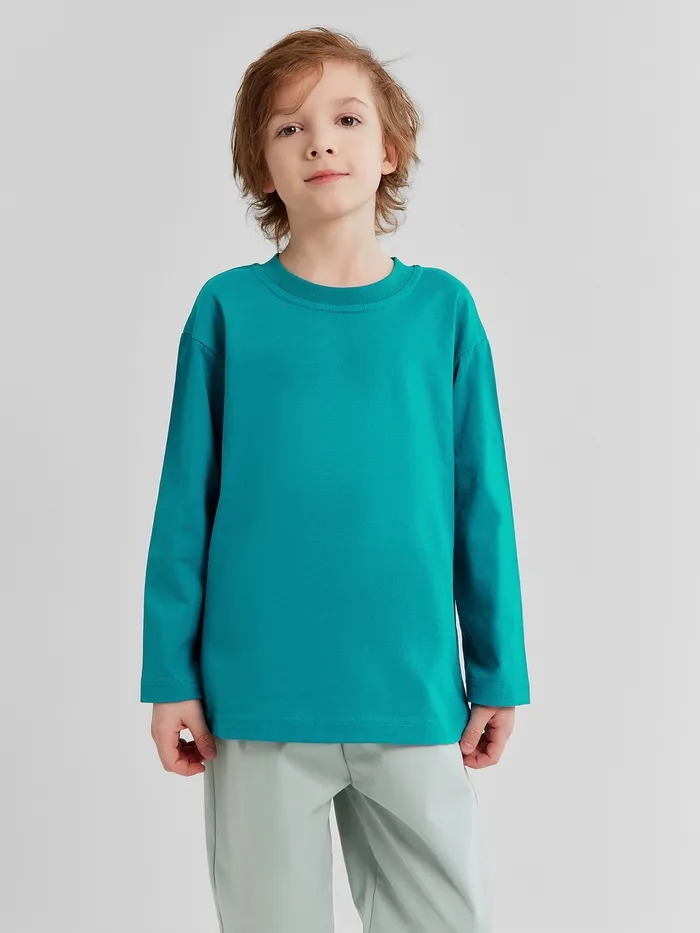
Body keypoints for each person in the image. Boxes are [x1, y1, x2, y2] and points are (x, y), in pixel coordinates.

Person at [140, 25, 531, 933]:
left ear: (389, 150)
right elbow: (184, 506)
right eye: (290, 128)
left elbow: (482, 504)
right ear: (261, 168)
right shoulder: (227, 310)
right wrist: (169, 675)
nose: (320, 142)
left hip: (413, 692)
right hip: (256, 698)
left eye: (346, 119)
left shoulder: (444, 312)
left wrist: (499, 669)